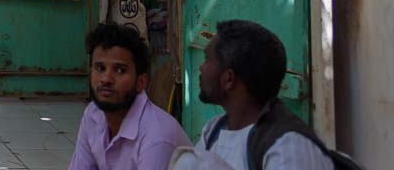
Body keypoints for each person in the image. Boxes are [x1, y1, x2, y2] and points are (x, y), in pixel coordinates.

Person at [192, 20, 346, 170]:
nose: (201, 68)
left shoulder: (288, 145)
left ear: (229, 79)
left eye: (207, 59)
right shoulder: (213, 130)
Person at [69, 23, 190, 170]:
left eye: (120, 70)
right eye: (100, 68)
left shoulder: (157, 138)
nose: (106, 79)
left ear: (141, 82)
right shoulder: (93, 114)